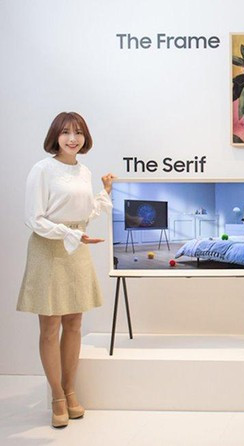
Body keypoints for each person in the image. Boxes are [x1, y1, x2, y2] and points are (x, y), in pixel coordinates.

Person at [16, 112, 115, 428]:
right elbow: (34, 218)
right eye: (66, 132)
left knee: (74, 322)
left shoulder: (84, 171)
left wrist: (104, 193)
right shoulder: (42, 169)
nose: (73, 139)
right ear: (55, 136)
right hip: (49, 248)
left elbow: (84, 213)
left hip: (77, 247)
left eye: (79, 132)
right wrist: (69, 234)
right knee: (50, 325)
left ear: (85, 137)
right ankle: (57, 397)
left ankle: (71, 391)